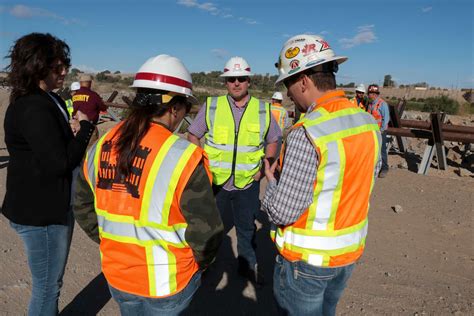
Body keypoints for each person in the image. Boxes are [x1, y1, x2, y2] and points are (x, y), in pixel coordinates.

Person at [73, 54, 224, 315]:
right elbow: (206, 232)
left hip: (118, 276)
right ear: (175, 108)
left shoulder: (103, 145)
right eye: (186, 107)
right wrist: (200, 264)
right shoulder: (183, 156)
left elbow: (82, 205)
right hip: (167, 283)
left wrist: (110, 242)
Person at [262, 34, 381, 316]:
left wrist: (272, 183)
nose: (289, 93)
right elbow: (363, 181)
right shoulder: (367, 123)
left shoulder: (309, 131)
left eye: (289, 84)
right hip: (348, 254)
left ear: (304, 80)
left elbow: (282, 212)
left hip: (308, 263)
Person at [2, 32, 94, 316]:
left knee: (48, 284)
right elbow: (58, 163)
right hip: (42, 214)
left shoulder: (44, 99)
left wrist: (71, 132)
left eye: (64, 65)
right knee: (47, 287)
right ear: (37, 67)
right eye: (57, 67)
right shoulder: (33, 106)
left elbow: (49, 149)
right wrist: (86, 130)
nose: (64, 71)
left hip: (46, 205)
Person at [187, 56, 281, 286]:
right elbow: (193, 134)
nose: (236, 83)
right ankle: (205, 266)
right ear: (225, 82)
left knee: (246, 228)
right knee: (210, 228)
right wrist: (201, 164)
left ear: (249, 81)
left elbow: (274, 139)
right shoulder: (212, 106)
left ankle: (247, 266)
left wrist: (264, 168)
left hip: (248, 182)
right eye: (231, 79)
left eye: (241, 78)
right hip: (216, 182)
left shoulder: (263, 109)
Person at [72, 74, 107, 145]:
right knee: (90, 151)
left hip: (75, 126)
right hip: (89, 128)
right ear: (90, 83)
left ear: (80, 83)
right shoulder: (93, 95)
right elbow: (103, 107)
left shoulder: (74, 96)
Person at [367, 84, 390, 178]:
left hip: (380, 131)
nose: (369, 95)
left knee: (381, 150)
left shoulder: (382, 104)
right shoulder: (370, 104)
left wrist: (381, 130)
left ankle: (384, 168)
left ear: (375, 94)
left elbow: (386, 119)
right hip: (372, 131)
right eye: (369, 93)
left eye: (370, 93)